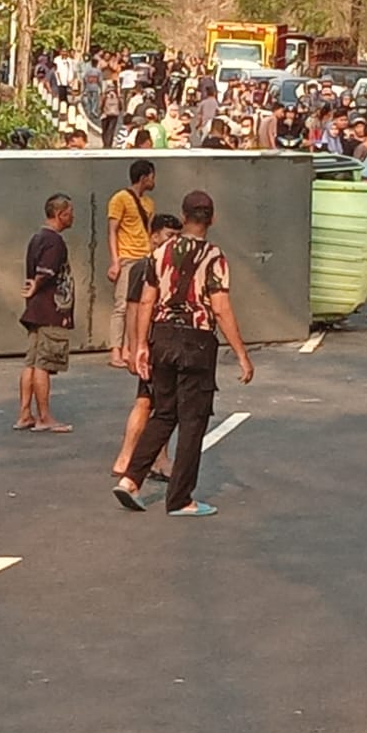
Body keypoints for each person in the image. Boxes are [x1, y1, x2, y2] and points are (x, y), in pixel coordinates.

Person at [113, 191, 254, 517]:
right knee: (193, 421)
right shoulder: (214, 257)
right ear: (212, 218)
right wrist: (241, 354)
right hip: (196, 341)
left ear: (183, 215)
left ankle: (131, 479)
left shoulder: (160, 252)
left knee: (164, 412)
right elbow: (220, 307)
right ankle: (180, 499)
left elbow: (146, 300)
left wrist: (142, 345)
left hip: (162, 337)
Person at [109, 213, 182, 484]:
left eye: (177, 237)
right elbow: (133, 308)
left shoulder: (167, 265)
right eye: (169, 236)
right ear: (154, 236)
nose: (173, 241)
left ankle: (131, 458)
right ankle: (149, 459)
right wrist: (133, 346)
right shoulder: (145, 267)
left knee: (150, 400)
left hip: (158, 344)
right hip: (153, 344)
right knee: (157, 403)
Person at [15, 194, 76, 433]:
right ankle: (44, 417)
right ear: (60, 214)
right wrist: (37, 285)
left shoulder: (37, 238)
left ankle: (24, 414)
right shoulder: (54, 242)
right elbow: (46, 271)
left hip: (35, 311)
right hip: (51, 311)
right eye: (70, 212)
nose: (72, 217)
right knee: (43, 363)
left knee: (31, 362)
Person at [106, 160, 157, 368]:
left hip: (145, 256)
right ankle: (115, 351)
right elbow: (112, 230)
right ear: (144, 178)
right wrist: (115, 261)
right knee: (121, 305)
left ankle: (130, 348)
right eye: (152, 176)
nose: (154, 181)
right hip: (127, 257)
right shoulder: (120, 199)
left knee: (138, 305)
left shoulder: (149, 203)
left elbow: (149, 231)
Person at [99, 81, 122, 149]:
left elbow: (101, 105)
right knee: (111, 130)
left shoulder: (105, 96)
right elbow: (121, 106)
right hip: (114, 115)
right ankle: (109, 144)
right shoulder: (117, 97)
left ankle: (106, 144)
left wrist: (102, 111)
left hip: (105, 115)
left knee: (105, 130)